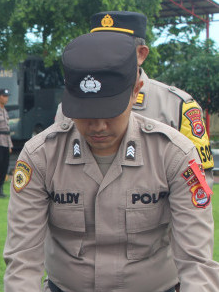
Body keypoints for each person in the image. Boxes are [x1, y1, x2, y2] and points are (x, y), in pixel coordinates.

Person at [3, 31, 219, 292]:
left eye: (109, 112)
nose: (98, 127)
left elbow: (197, 261)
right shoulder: (41, 157)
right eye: (86, 114)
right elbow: (22, 259)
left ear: (136, 90)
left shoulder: (175, 155)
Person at [54, 11, 213, 181]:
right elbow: (56, 167)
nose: (104, 57)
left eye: (116, 50)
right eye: (97, 50)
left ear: (141, 54)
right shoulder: (70, 106)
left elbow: (198, 179)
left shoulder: (176, 105)